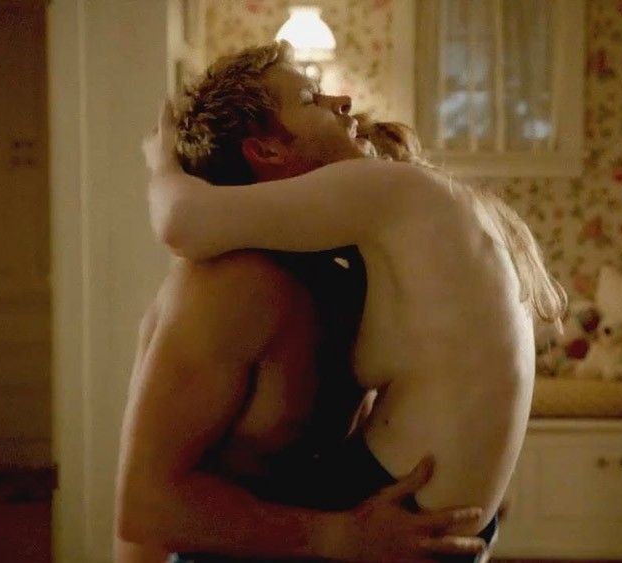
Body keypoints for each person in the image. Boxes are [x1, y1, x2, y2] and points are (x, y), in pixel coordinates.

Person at [142, 41, 567, 563]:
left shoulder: (385, 190)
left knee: (206, 529)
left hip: (398, 503)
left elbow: (179, 221)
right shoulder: (398, 230)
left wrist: (162, 165)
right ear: (266, 150)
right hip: (440, 512)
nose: (342, 101)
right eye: (311, 98)